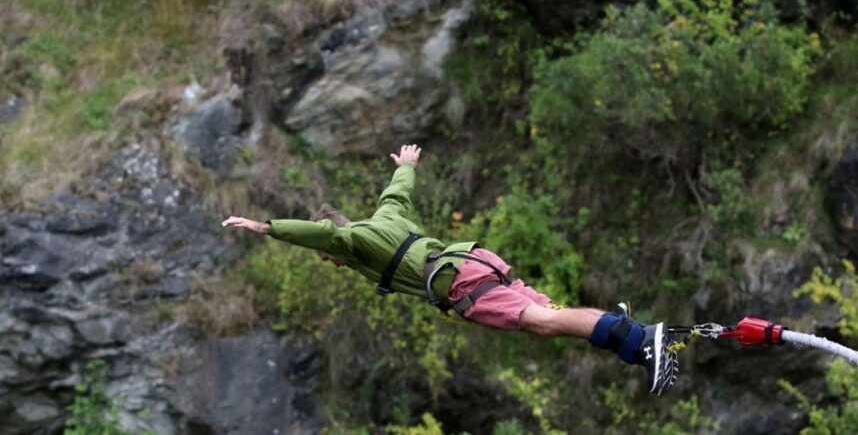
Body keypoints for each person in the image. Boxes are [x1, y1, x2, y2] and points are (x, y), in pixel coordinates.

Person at [222, 144, 678, 395]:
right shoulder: (383, 218)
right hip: (477, 262)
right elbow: (396, 193)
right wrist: (406, 166)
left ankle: (637, 338)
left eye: (328, 257)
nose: (331, 261)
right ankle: (637, 343)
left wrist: (267, 227)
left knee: (544, 321)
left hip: (462, 284)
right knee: (547, 319)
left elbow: (325, 236)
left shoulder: (355, 240)